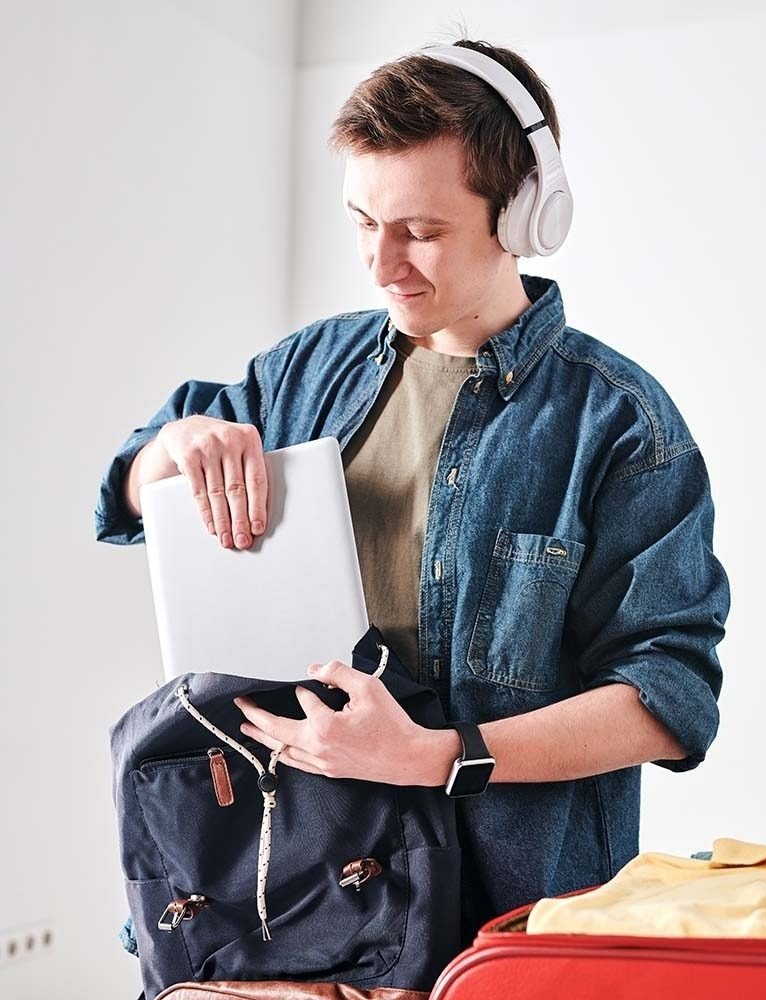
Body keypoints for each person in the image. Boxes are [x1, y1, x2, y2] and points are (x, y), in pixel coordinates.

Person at [95, 38, 731, 943]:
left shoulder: (622, 425)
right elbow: (122, 496)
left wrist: (437, 759)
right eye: (363, 221)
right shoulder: (305, 369)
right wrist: (175, 444)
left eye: (421, 233)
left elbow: (670, 698)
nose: (381, 264)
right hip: (274, 902)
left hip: (503, 919)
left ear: (521, 217)